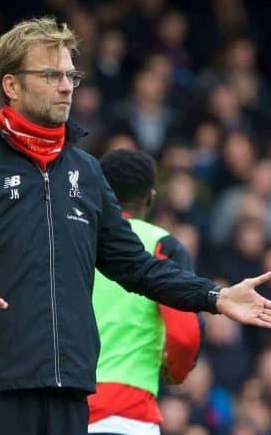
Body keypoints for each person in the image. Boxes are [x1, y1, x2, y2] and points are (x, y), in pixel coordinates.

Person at [0, 16, 271, 435]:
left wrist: (214, 296)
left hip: (70, 391)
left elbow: (136, 267)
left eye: (71, 75)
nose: (67, 86)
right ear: (11, 86)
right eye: (51, 75)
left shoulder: (86, 172)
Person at [89, 149, 204, 435]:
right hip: (126, 414)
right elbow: (185, 334)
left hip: (64, 411)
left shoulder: (76, 239)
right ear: (151, 197)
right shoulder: (161, 245)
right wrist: (176, 371)